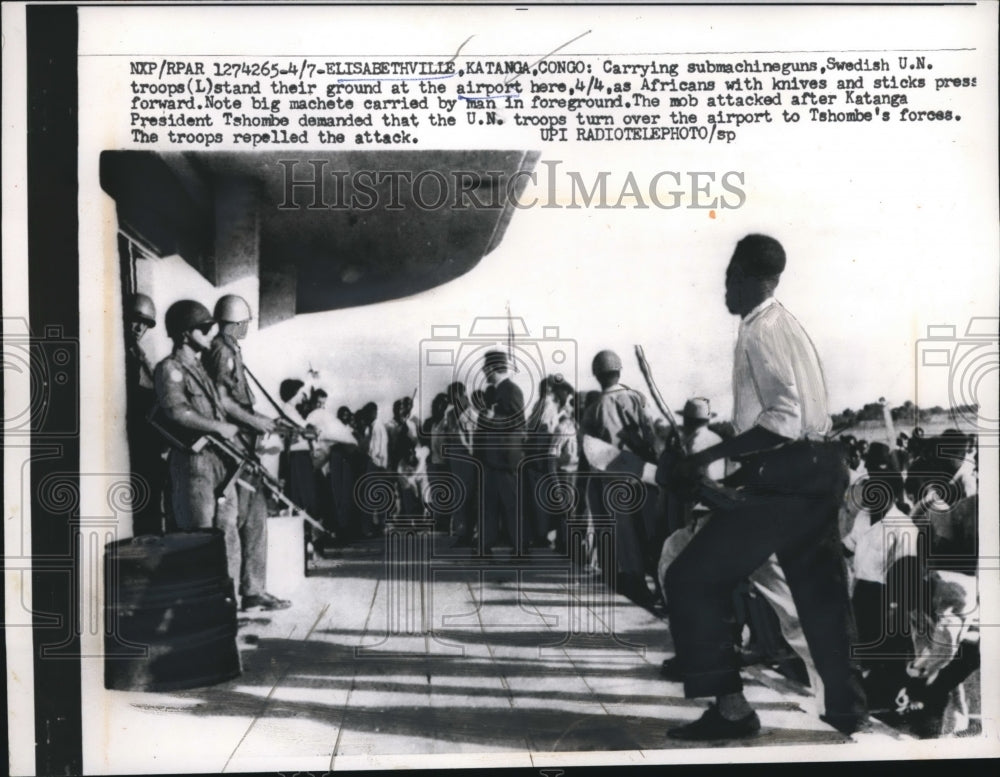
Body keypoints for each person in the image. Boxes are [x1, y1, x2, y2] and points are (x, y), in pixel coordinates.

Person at [664, 234, 866, 740]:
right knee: (821, 595)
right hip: (821, 467)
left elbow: (784, 418)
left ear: (750, 278)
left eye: (729, 278)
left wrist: (707, 458)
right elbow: (794, 417)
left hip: (787, 474)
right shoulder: (786, 324)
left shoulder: (759, 330)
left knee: (689, 578)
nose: (724, 290)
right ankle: (847, 712)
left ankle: (732, 711)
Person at [202, 294, 289, 611]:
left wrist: (261, 421)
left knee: (255, 517)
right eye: (245, 323)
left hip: (245, 447)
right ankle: (235, 594)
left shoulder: (231, 350)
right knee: (234, 522)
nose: (247, 328)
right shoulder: (221, 350)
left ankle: (253, 590)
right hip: (232, 449)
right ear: (236, 323)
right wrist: (257, 421)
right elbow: (223, 401)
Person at [153, 300, 243, 590]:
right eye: (203, 328)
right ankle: (206, 610)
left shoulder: (201, 369)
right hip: (194, 464)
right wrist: (219, 427)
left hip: (219, 462)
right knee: (200, 537)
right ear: (184, 333)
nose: (210, 332)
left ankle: (229, 605)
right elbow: (176, 411)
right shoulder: (170, 369)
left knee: (228, 531)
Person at [581, 349, 660, 607]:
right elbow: (650, 436)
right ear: (619, 371)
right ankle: (654, 585)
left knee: (622, 533)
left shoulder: (592, 409)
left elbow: (588, 452)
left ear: (596, 375)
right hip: (639, 474)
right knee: (646, 529)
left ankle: (633, 583)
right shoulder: (635, 399)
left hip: (609, 479)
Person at [124, 292, 166, 536]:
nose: (140, 328)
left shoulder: (137, 352)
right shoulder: (125, 354)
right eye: (136, 320)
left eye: (146, 324)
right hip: (137, 441)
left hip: (148, 441)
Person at [478, 350, 526, 554]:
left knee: (511, 506)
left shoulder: (512, 390)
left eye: (485, 367)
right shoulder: (494, 391)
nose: (483, 371)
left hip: (506, 459)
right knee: (489, 505)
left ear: (491, 368)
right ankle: (485, 545)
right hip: (492, 458)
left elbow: (518, 422)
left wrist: (492, 418)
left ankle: (520, 549)